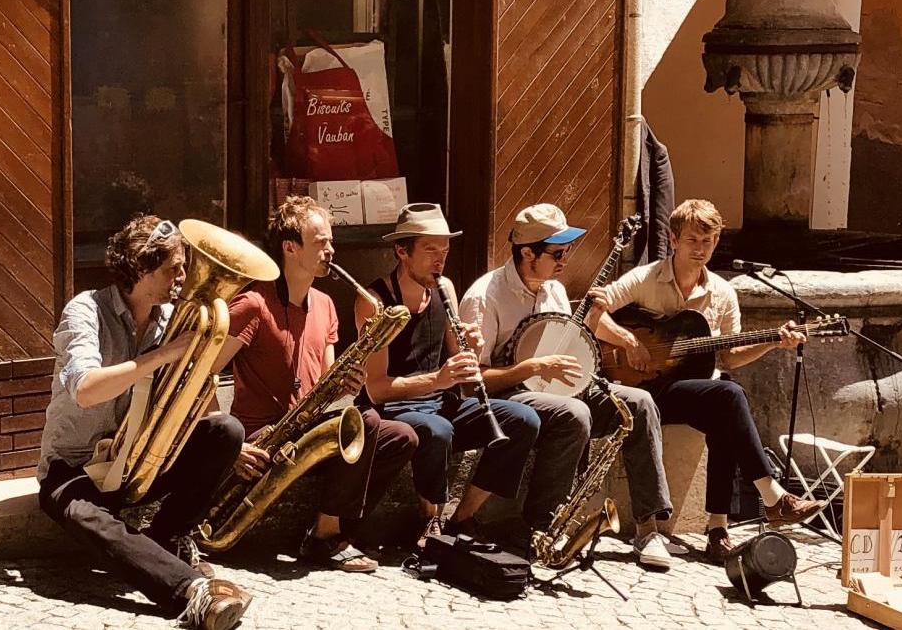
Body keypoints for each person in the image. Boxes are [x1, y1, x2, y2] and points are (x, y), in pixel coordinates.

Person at [38, 214, 251, 630]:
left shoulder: (171, 317)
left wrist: (232, 449)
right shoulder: (85, 310)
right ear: (140, 266)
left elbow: (193, 389)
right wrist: (162, 355)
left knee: (226, 431)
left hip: (138, 462)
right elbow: (85, 390)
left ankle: (168, 539)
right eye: (175, 266)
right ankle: (191, 591)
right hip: (77, 469)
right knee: (87, 517)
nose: (184, 275)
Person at [588, 199, 827, 563]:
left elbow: (730, 356)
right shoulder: (646, 278)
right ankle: (762, 503)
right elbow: (594, 314)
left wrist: (772, 342)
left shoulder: (722, 293)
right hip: (641, 388)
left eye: (709, 241)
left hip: (690, 389)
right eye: (693, 240)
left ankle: (720, 528)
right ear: (673, 239)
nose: (701, 249)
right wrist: (629, 341)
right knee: (728, 398)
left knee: (727, 398)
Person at [459, 203, 676, 570]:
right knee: (573, 413)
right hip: (512, 392)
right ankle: (541, 525)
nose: (565, 260)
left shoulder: (554, 291)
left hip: (563, 385)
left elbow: (571, 341)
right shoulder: (485, 295)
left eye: (567, 251)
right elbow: (473, 380)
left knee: (640, 402)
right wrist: (529, 367)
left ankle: (648, 526)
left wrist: (599, 319)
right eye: (557, 253)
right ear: (527, 253)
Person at [212, 196, 418, 573]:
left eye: (331, 241)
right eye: (321, 241)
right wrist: (230, 447)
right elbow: (204, 373)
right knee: (368, 423)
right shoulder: (253, 303)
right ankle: (326, 539)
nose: (331, 250)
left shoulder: (324, 303)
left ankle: (332, 527)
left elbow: (326, 386)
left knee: (402, 436)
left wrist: (348, 384)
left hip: (304, 428)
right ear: (290, 247)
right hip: (264, 435)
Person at [354, 203, 540, 546]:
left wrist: (471, 346)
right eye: (430, 250)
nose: (440, 259)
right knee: (437, 430)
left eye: (445, 250)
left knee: (524, 419)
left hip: (440, 403)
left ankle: (464, 516)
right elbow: (376, 389)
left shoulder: (445, 288)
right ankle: (431, 520)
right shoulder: (374, 301)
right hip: (397, 410)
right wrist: (438, 380)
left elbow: (460, 362)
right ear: (402, 251)